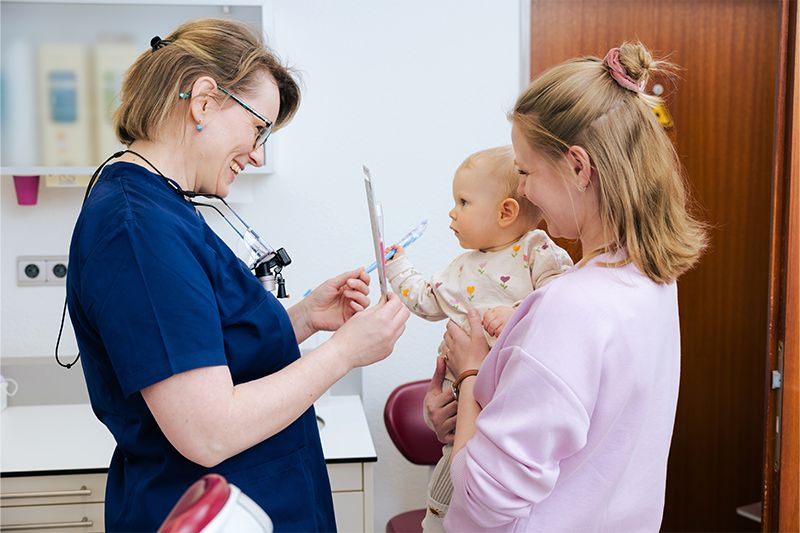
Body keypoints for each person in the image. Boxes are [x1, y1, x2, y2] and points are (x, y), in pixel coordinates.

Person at [65, 18, 410, 533]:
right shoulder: (137, 232)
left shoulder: (164, 210)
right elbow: (207, 431)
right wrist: (345, 352)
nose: (258, 153)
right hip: (209, 512)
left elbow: (204, 349)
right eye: (258, 129)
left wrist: (304, 318)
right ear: (204, 101)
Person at [432, 42, 708, 532]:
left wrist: (471, 372)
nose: (521, 190)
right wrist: (472, 408)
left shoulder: (570, 306)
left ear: (579, 167)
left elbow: (484, 500)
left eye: (525, 171)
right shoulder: (650, 280)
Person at [385, 145, 572, 532]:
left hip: (506, 400)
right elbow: (425, 301)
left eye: (463, 202)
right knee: (451, 472)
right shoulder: (460, 267)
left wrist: (517, 311)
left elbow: (560, 299)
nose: (452, 213)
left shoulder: (536, 251)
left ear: (506, 212)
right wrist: (397, 266)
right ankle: (437, 519)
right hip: (459, 398)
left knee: (480, 477)